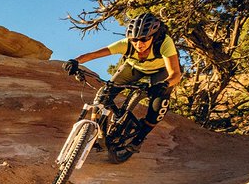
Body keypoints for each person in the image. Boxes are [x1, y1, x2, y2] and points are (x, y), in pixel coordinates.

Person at [63, 12, 182, 161]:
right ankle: (97, 133)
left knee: (159, 104)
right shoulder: (125, 44)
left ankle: (138, 140)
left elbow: (175, 74)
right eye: (135, 40)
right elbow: (94, 54)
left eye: (144, 39)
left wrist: (164, 84)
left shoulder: (164, 42)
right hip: (134, 68)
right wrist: (75, 61)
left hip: (160, 71)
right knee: (104, 93)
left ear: (154, 36)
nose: (139, 44)